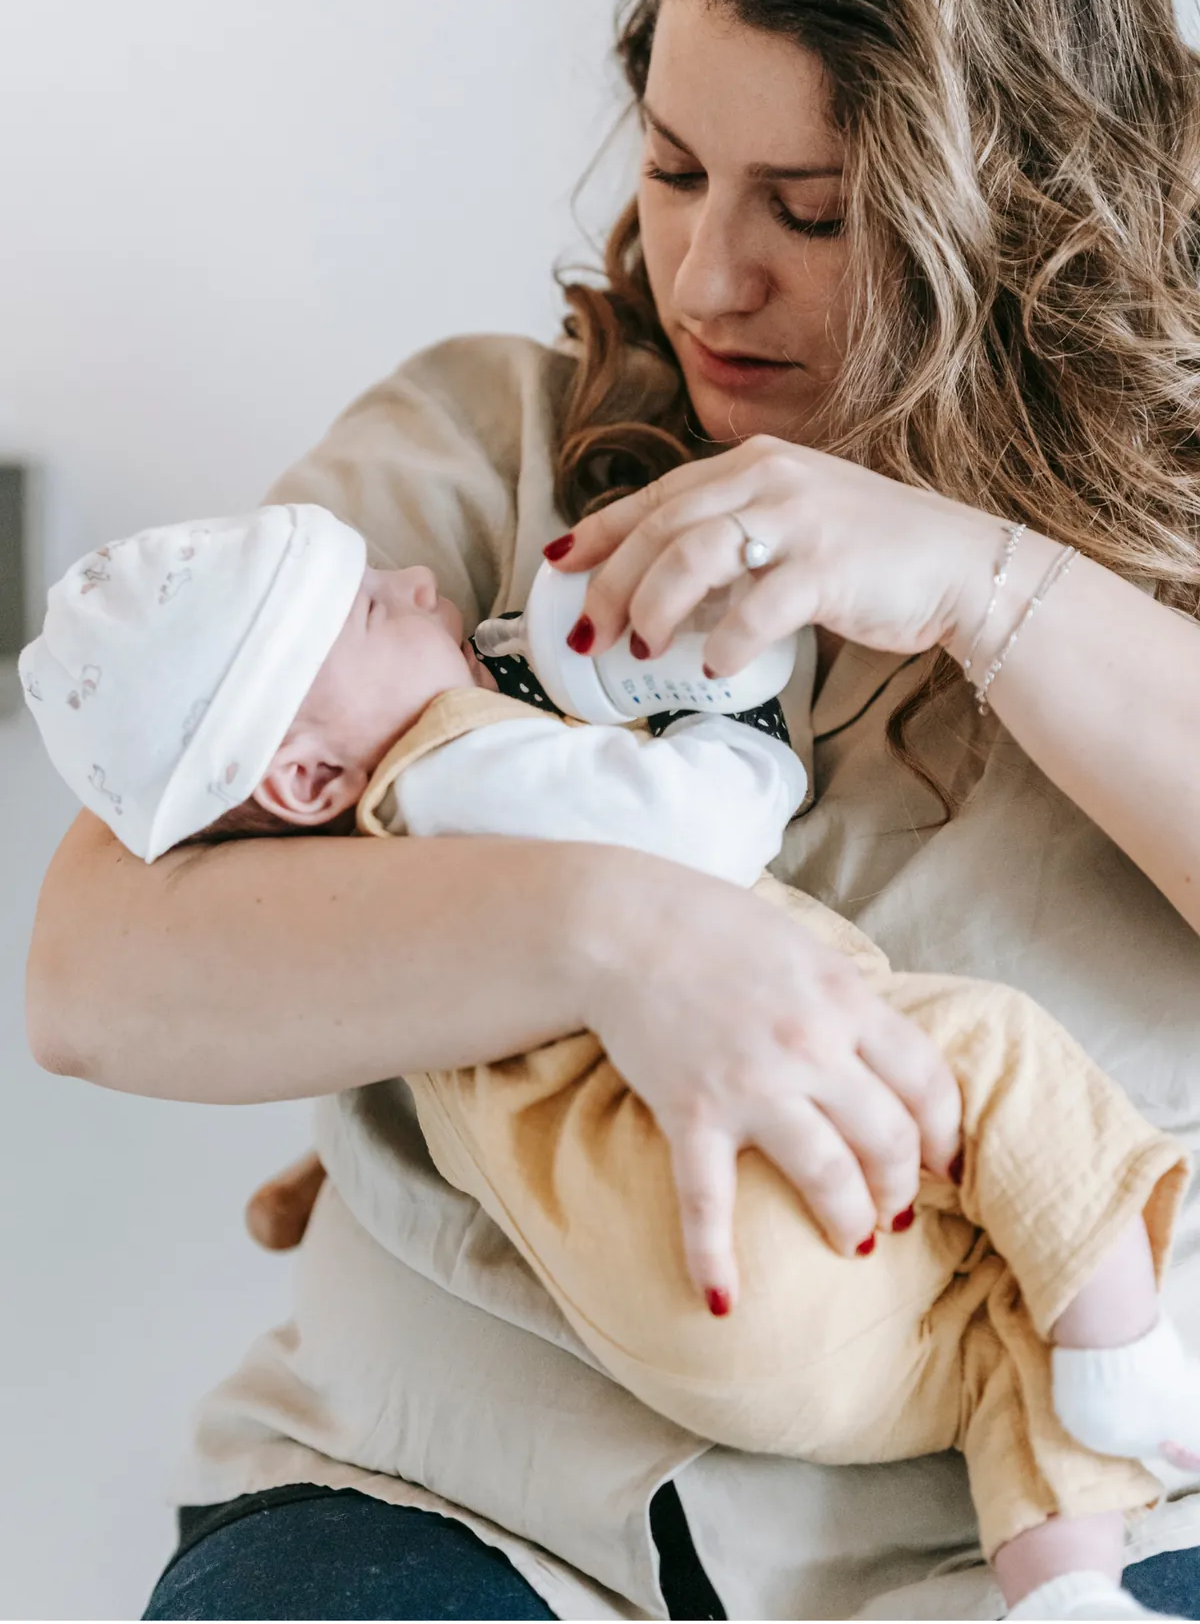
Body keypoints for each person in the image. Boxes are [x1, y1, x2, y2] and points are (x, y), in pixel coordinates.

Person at [23, 0, 1200, 1616]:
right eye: (672, 169)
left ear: (1019, 204)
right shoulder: (484, 453)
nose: (709, 275)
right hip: (443, 1500)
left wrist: (986, 584)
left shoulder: (1160, 568)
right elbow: (91, 976)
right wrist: (617, 937)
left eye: (813, 210)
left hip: (1031, 1538)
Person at [20, 503, 1200, 1618]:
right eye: (376, 606)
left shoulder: (381, 884)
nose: (423, 581)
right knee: (1000, 1063)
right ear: (307, 779)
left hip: (717, 1326)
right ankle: (1124, 1343)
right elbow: (698, 828)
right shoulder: (449, 758)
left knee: (1007, 1328)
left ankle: (1065, 1587)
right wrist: (742, 707)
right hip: (755, 1220)